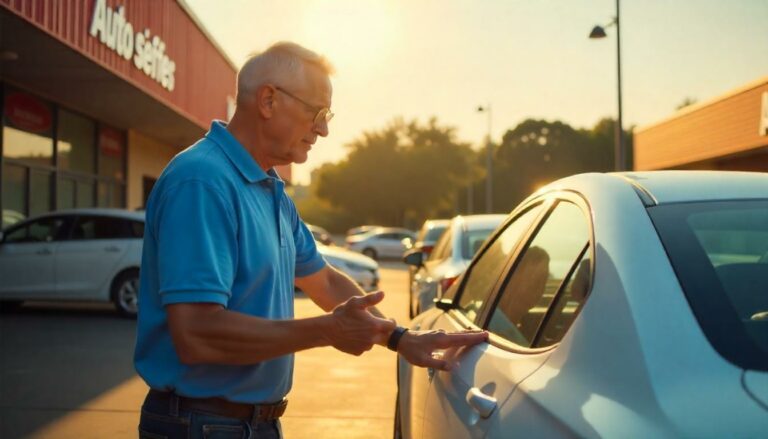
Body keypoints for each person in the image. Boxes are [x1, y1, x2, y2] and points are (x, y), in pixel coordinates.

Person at [134, 42, 488, 439]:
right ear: (268, 100)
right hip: (201, 425)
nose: (323, 129)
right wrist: (326, 330)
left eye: (327, 116)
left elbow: (325, 281)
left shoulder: (269, 190)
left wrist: (398, 337)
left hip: (245, 423)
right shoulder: (202, 181)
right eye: (317, 113)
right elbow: (197, 334)